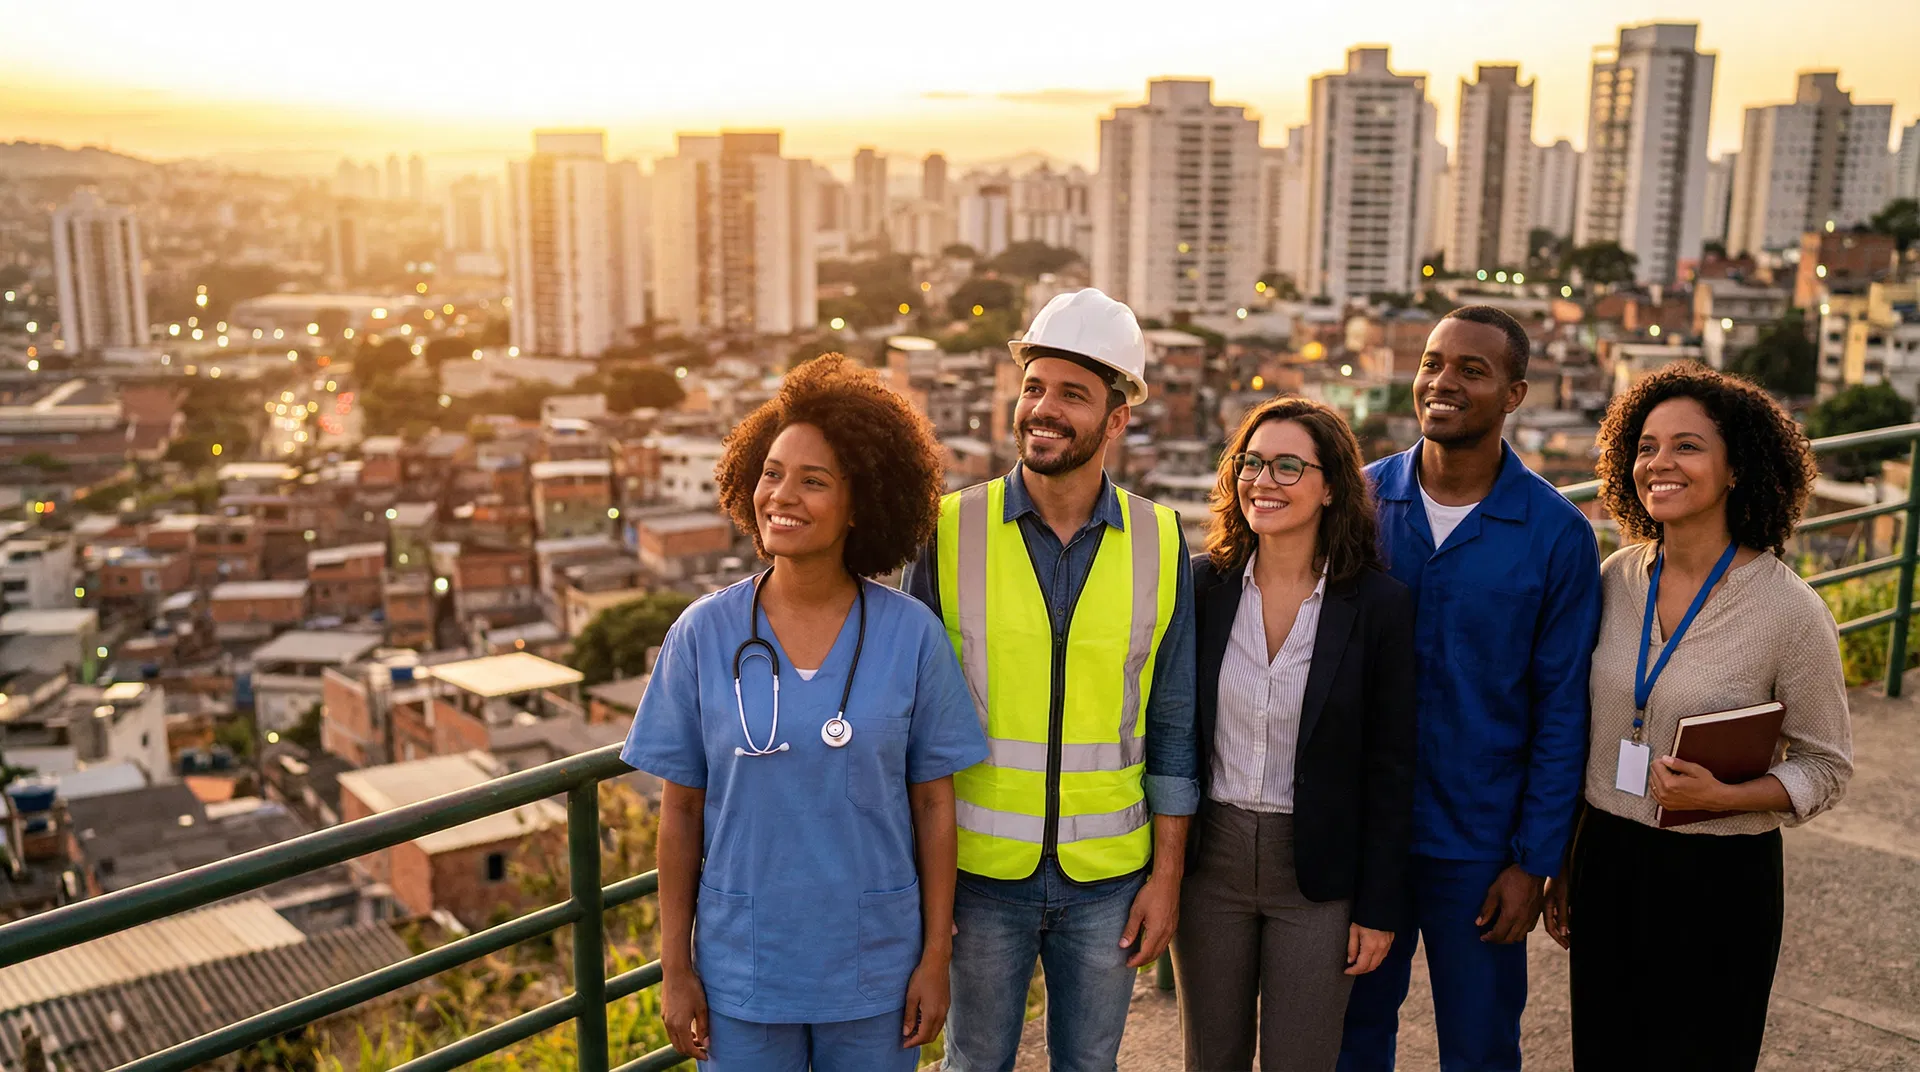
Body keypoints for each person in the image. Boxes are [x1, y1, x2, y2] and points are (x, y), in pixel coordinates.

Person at [622, 355, 990, 1072]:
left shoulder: (912, 636)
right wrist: (676, 968)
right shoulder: (702, 634)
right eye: (772, 473)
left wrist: (934, 957)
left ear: (861, 505)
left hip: (876, 968)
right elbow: (681, 813)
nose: (782, 496)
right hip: (744, 972)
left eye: (814, 481)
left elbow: (934, 805)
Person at [900, 287, 1198, 1072]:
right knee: (974, 1065)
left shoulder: (1162, 541)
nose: (1043, 408)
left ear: (1117, 418)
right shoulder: (947, 529)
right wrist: (921, 879)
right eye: (1033, 387)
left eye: (1072, 394)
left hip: (1109, 881)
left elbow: (1174, 724)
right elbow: (909, 724)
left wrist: (1166, 877)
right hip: (976, 878)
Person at [1544, 362, 1853, 1070]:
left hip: (1720, 878)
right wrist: (1563, 861)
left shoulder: (1790, 611)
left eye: (1687, 446)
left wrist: (1725, 797)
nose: (1660, 462)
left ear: (1737, 467)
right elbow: (1581, 729)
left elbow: (1826, 766)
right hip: (1607, 860)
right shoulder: (1614, 579)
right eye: (1647, 446)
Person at [1339, 305, 1602, 1072]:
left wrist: (1535, 860)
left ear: (1515, 395)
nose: (1442, 382)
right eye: (1432, 363)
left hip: (1482, 848)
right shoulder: (1357, 504)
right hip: (1365, 837)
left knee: (1481, 1048)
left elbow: (1562, 710)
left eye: (1471, 370)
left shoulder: (1557, 534)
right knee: (1350, 1038)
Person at [1176, 397, 1417, 1072]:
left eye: (1288, 466)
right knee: (1210, 1060)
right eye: (1251, 463)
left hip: (1318, 873)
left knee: (1301, 1061)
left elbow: (1392, 766)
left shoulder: (1380, 607)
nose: (1263, 481)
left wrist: (1378, 907)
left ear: (1331, 486)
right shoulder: (1199, 587)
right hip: (1210, 866)